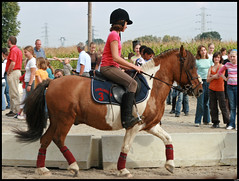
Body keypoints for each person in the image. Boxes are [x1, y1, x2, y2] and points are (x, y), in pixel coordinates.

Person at [100, 8, 143, 129]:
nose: (126, 26)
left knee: (133, 76)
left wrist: (132, 69)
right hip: (108, 67)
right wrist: (134, 66)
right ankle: (127, 119)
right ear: (121, 22)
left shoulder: (117, 35)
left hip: (113, 66)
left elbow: (117, 61)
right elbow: (115, 57)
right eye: (126, 24)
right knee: (132, 84)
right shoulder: (114, 35)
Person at [207, 52, 230, 128]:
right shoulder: (210, 67)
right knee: (213, 106)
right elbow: (207, 79)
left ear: (220, 59)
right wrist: (214, 76)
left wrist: (212, 76)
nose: (216, 59)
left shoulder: (222, 66)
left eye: (218, 57)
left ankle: (227, 122)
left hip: (220, 89)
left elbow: (218, 76)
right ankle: (215, 122)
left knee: (223, 106)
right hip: (212, 89)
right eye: (215, 57)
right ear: (213, 58)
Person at [194, 45, 213, 127]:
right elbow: (194, 72)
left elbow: (212, 69)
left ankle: (207, 120)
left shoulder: (209, 60)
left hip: (208, 82)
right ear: (199, 52)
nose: (203, 51)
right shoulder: (197, 61)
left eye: (204, 50)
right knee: (200, 103)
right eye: (201, 50)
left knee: (207, 103)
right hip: (200, 83)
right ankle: (197, 121)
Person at [218, 49, 237, 130]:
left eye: (234, 56)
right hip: (229, 87)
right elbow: (219, 72)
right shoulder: (227, 64)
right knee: (232, 107)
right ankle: (232, 124)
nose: (232, 58)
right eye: (231, 56)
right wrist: (225, 78)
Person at [5, 36, 23, 117]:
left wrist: (8, 72)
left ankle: (16, 110)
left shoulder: (13, 51)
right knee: (12, 91)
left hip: (13, 72)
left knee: (14, 92)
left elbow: (13, 63)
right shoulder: (17, 50)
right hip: (16, 71)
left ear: (9, 42)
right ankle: (13, 109)